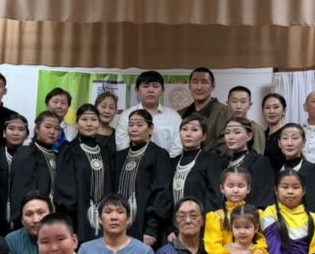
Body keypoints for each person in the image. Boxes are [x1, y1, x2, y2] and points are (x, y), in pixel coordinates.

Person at [55, 103, 114, 243]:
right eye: (84, 119)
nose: (89, 124)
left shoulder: (106, 152)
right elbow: (64, 186)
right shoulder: (68, 150)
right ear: (76, 123)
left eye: (93, 120)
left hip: (105, 216)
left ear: (99, 123)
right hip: (77, 216)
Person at [114, 109, 173, 246]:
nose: (134, 129)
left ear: (150, 129)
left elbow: (161, 193)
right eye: (131, 125)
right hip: (118, 223)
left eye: (139, 125)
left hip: (145, 226)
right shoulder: (120, 157)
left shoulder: (159, 154)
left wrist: (152, 228)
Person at [204, 167, 269, 254]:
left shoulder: (258, 214)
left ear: (248, 188)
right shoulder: (216, 217)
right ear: (222, 188)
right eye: (230, 186)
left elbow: (264, 240)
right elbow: (213, 246)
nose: (235, 190)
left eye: (240, 186)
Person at [261, 170, 315, 254]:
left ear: (304, 191)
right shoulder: (270, 213)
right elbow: (273, 248)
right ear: (276, 190)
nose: (290, 191)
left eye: (296, 187)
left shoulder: (313, 218)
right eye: (285, 187)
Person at [8, 111, 61, 224]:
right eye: (48, 127)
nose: (52, 131)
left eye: (57, 128)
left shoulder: (58, 155)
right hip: (33, 219)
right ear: (37, 129)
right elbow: (20, 191)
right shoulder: (26, 153)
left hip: (53, 217)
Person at [115, 71, 183, 157]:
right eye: (145, 86)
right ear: (137, 90)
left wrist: (163, 162)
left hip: (167, 163)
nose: (150, 90)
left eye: (155, 86)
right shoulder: (126, 116)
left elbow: (178, 147)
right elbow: (122, 146)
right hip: (134, 163)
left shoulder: (174, 117)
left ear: (162, 91)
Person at [0, 112, 29, 236]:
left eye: (21, 129)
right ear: (4, 133)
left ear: (27, 135)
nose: (16, 133)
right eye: (11, 128)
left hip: (24, 213)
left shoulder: (32, 156)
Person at [169, 114, 223, 214]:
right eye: (184, 129)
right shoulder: (172, 162)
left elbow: (215, 195)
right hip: (175, 222)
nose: (188, 134)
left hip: (201, 220)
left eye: (194, 130)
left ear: (204, 137)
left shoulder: (211, 160)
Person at [177, 67, 232, 157]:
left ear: (213, 86)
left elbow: (226, 147)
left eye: (204, 82)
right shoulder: (180, 114)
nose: (199, 87)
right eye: (195, 82)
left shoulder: (224, 112)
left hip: (215, 163)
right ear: (189, 86)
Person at [276, 124, 315, 213]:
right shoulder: (276, 172)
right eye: (285, 138)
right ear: (279, 143)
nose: (289, 143)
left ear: (304, 142)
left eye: (295, 138)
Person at [223, 117, 274, 208]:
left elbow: (263, 197)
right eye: (227, 133)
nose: (230, 137)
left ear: (249, 136)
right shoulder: (224, 162)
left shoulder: (259, 161)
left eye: (237, 132)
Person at [226, 86, 266, 155]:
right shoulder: (222, 126)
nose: (238, 106)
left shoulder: (255, 129)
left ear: (250, 105)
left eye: (243, 102)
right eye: (234, 101)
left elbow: (258, 156)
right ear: (227, 104)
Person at [261, 92, 288, 172]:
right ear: (263, 111)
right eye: (267, 107)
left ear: (284, 110)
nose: (271, 111)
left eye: (276, 107)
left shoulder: (287, 134)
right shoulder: (261, 135)